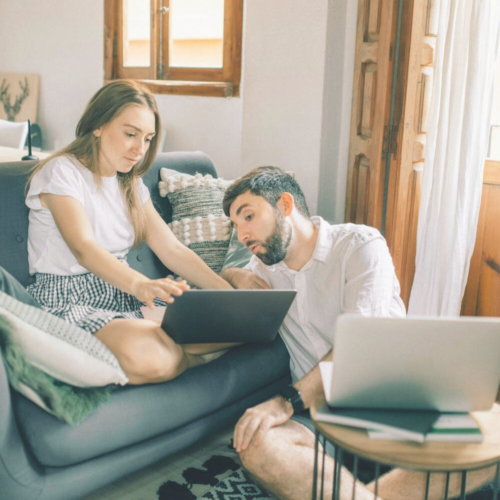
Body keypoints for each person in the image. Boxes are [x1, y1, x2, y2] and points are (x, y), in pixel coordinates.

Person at [221, 166, 497, 500]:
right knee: (257, 444)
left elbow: (358, 348)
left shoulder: (360, 246)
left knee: (481, 452)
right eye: (235, 225)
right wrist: (237, 275)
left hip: (390, 405)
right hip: (320, 416)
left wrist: (287, 402)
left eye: (248, 217)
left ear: (285, 205)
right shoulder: (263, 267)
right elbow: (227, 273)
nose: (242, 235)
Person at [24, 80, 233, 386]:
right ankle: (189, 356)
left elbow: (172, 250)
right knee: (149, 352)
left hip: (123, 293)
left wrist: (230, 298)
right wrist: (140, 285)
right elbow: (83, 247)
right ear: (98, 125)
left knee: (237, 326)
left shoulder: (130, 183)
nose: (140, 149)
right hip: (68, 297)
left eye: (148, 139)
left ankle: (177, 354)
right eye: (130, 134)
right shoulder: (61, 172)